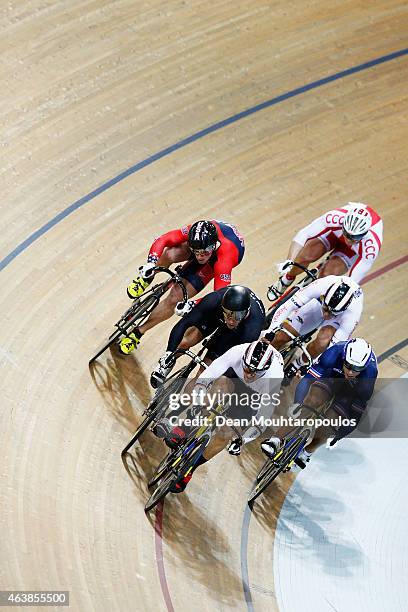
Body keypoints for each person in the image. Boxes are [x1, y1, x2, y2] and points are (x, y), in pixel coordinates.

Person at [166, 340, 284, 493]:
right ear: (244, 360)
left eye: (255, 373)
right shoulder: (238, 351)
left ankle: (190, 469)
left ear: (265, 370)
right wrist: (198, 401)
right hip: (232, 378)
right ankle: (186, 425)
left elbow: (263, 418)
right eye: (247, 368)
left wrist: (242, 440)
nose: (249, 375)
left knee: (227, 433)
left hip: (253, 395)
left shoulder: (274, 376)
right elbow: (208, 375)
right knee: (220, 386)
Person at [119, 219, 245, 354]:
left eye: (204, 252)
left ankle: (138, 332)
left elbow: (219, 296)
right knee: (169, 253)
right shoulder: (195, 233)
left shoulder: (224, 259)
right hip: (204, 241)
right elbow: (164, 239)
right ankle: (145, 279)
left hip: (215, 260)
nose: (200, 257)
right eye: (196, 252)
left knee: (176, 298)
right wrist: (151, 263)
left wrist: (192, 304)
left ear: (213, 246)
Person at [261, 338, 378, 467]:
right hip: (331, 375)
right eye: (348, 366)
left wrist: (338, 436)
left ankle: (307, 452)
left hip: (351, 391)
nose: (350, 372)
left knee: (330, 425)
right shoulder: (334, 353)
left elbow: (356, 415)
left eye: (357, 369)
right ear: (344, 358)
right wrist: (298, 403)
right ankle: (275, 440)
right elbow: (307, 380)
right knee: (311, 402)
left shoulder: (369, 376)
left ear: (365, 367)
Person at [150, 285, 265, 388]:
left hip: (239, 332)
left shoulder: (252, 329)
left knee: (204, 373)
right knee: (186, 341)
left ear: (246, 312)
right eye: (228, 314)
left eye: (237, 316)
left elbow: (236, 361)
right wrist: (169, 352)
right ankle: (165, 366)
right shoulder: (214, 299)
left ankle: (180, 405)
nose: (230, 321)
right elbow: (184, 323)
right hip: (218, 314)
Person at [267, 203, 383, 300]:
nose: (348, 240)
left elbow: (352, 282)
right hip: (334, 234)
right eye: (347, 234)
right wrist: (289, 260)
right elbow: (305, 233)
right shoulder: (336, 218)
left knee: (327, 276)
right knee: (305, 256)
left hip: (354, 251)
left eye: (354, 238)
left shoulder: (371, 247)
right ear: (343, 225)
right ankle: (287, 279)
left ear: (364, 234)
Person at [264, 275, 363, 374]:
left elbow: (333, 350)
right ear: (324, 295)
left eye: (332, 313)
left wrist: (311, 366)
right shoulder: (322, 285)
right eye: (326, 309)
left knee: (323, 342)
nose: (326, 315)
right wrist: (271, 330)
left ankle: (298, 364)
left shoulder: (352, 314)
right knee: (281, 337)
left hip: (338, 319)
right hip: (318, 304)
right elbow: (288, 306)